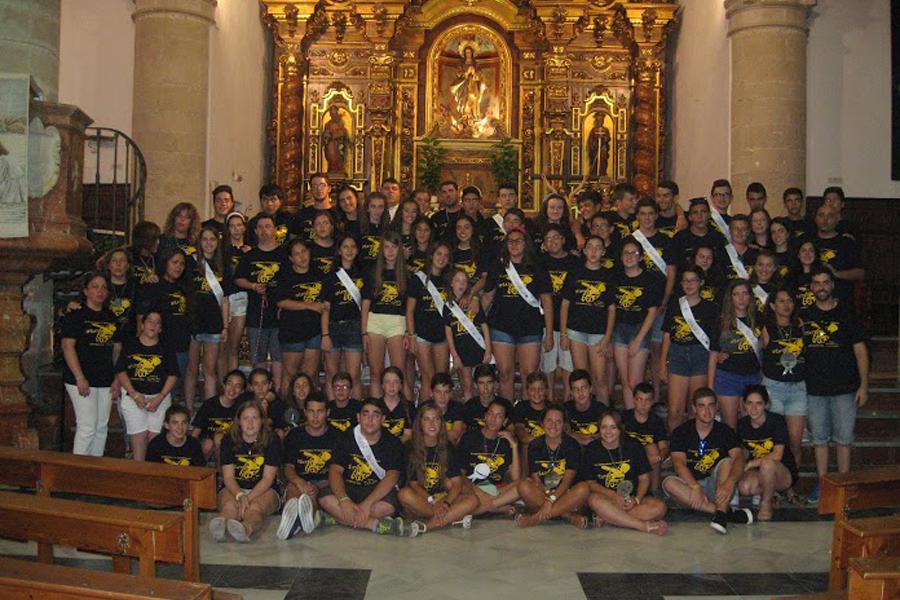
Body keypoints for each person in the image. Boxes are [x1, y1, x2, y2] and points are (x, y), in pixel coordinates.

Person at [803, 267, 869, 504]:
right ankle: (823, 486)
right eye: (817, 283)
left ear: (832, 285)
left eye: (825, 282)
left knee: (843, 440)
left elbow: (860, 351)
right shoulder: (804, 315)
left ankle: (844, 486)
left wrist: (864, 385)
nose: (821, 287)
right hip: (814, 388)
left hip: (845, 388)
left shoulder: (847, 313)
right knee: (819, 440)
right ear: (812, 288)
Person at [663, 388, 754, 534]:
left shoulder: (725, 431)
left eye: (711, 405)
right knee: (669, 483)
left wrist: (730, 483)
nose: (707, 411)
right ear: (694, 408)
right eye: (701, 406)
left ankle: (720, 511)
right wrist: (695, 487)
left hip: (717, 485)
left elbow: (739, 458)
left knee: (727, 462)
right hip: (690, 485)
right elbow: (679, 464)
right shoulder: (681, 432)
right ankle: (724, 513)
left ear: (717, 406)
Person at [318, 398, 412, 536]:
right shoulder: (345, 438)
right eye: (365, 414)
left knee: (387, 508)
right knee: (325, 499)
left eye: (375, 415)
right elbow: (335, 471)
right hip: (349, 488)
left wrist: (367, 504)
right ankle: (373, 524)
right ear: (358, 417)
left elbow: (392, 477)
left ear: (383, 419)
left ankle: (336, 518)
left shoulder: (393, 443)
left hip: (375, 492)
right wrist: (344, 500)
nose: (370, 419)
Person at [481, 226, 553, 401]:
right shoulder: (498, 267)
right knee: (505, 374)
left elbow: (547, 302)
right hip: (501, 327)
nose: (514, 244)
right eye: (510, 241)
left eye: (518, 241)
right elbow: (487, 297)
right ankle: (507, 415)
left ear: (525, 244)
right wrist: (477, 324)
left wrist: (549, 333)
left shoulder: (537, 268)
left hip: (530, 328)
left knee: (529, 376)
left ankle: (525, 416)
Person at [60, 272, 123, 456]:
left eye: (103, 287)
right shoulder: (76, 315)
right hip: (80, 376)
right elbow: (67, 346)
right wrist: (80, 377)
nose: (100, 291)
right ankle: (78, 472)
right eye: (95, 287)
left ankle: (95, 469)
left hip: (105, 378)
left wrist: (116, 378)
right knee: (87, 426)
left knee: (101, 427)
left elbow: (117, 349)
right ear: (86, 291)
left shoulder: (111, 316)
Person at [398, 402, 480, 535]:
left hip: (442, 498)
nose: (432, 424)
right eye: (427, 419)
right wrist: (433, 502)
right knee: (404, 495)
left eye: (436, 419)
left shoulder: (448, 447)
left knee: (473, 500)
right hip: (423, 499)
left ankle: (429, 525)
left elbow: (457, 483)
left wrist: (446, 504)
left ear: (441, 423)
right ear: (420, 423)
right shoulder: (410, 447)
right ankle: (451, 517)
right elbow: (413, 484)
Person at [582, 410, 668, 534]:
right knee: (593, 500)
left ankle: (610, 518)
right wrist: (613, 496)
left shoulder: (633, 445)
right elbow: (591, 483)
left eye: (613, 427)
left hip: (631, 498)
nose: (608, 432)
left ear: (620, 429)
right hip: (606, 498)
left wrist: (637, 500)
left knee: (660, 507)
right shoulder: (592, 449)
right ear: (599, 429)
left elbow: (644, 478)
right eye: (604, 427)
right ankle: (643, 526)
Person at [209, 399, 282, 542]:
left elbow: (268, 479)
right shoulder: (228, 440)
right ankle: (221, 525)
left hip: (264, 489)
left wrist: (247, 498)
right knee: (230, 506)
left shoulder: (273, 440)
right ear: (239, 422)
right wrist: (239, 495)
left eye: (254, 418)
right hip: (234, 487)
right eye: (246, 418)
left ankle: (246, 529)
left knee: (254, 508)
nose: (250, 423)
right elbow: (228, 477)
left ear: (261, 421)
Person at [760, 287, 807, 499]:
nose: (786, 305)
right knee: (776, 441)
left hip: (797, 387)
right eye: (780, 301)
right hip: (773, 387)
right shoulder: (766, 329)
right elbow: (757, 357)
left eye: (789, 300)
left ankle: (790, 486)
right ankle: (774, 488)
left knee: (795, 442)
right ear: (772, 305)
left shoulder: (801, 327)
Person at [660, 266, 719, 433]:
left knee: (696, 409)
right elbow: (667, 335)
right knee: (674, 411)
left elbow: (713, 343)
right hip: (677, 355)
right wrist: (662, 364)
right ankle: (675, 446)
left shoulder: (710, 308)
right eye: (685, 280)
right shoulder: (675, 304)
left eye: (693, 280)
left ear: (701, 282)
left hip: (700, 356)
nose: (689, 284)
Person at [115, 310, 179, 461]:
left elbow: (173, 374)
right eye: (150, 321)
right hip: (134, 397)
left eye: (157, 323)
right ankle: (139, 478)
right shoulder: (130, 345)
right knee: (139, 441)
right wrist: (134, 394)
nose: (153, 325)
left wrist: (160, 397)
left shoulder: (166, 347)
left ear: (161, 328)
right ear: (142, 325)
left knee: (155, 442)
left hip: (159, 398)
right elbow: (121, 371)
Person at [560, 236, 616, 404]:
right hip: (576, 331)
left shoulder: (608, 276)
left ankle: (604, 418)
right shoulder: (575, 272)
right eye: (590, 247)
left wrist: (607, 337)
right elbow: (564, 305)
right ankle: (584, 417)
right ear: (584, 250)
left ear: (603, 251)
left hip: (598, 333)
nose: (593, 251)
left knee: (600, 379)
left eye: (598, 248)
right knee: (581, 379)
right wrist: (563, 334)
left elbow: (612, 309)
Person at [632, 198, 678, 405]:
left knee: (657, 351)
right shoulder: (631, 241)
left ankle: (657, 397)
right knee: (639, 352)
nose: (647, 218)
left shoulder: (667, 241)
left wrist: (666, 299)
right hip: (636, 306)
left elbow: (671, 273)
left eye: (651, 214)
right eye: (643, 214)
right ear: (637, 216)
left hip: (660, 304)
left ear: (656, 216)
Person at [515, 405, 590, 528]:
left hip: (567, 493)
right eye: (549, 420)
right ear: (542, 423)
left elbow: (566, 482)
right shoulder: (534, 445)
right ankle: (567, 515)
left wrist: (551, 500)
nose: (553, 425)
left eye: (558, 421)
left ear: (564, 425)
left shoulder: (572, 445)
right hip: (544, 492)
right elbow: (536, 481)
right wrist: (548, 496)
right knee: (523, 486)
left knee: (584, 488)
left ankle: (534, 518)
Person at [278, 391, 341, 539]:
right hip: (300, 480)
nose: (315, 416)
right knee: (295, 491)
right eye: (311, 411)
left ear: (327, 412)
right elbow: (288, 467)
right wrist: (300, 482)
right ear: (305, 412)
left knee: (312, 496)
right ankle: (296, 518)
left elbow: (338, 470)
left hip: (327, 483)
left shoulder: (337, 436)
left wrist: (318, 487)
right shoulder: (294, 435)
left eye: (320, 412)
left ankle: (296, 523)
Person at [234, 214, 284, 392]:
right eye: (260, 227)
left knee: (279, 358)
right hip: (257, 314)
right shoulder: (250, 256)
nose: (264, 230)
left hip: (280, 315)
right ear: (255, 231)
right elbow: (238, 279)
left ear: (275, 229)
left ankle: (277, 394)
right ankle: (259, 394)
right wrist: (253, 286)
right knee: (258, 358)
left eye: (268, 226)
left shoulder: (284, 254)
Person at [136, 247, 192, 403]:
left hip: (181, 346)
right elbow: (142, 316)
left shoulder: (185, 288)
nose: (178, 267)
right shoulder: (153, 285)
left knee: (172, 390)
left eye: (182, 263)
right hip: (159, 347)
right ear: (165, 263)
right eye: (174, 262)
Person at [613, 239, 663, 408]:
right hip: (619, 329)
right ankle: (629, 417)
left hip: (640, 329)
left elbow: (652, 312)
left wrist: (638, 339)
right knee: (625, 380)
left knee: (635, 381)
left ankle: (640, 416)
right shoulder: (616, 277)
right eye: (626, 253)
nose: (629, 256)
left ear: (641, 257)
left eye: (634, 253)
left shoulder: (649, 279)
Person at [184, 225, 231, 409]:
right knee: (191, 369)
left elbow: (225, 299)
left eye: (212, 239)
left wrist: (225, 327)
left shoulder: (223, 266)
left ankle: (208, 410)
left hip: (214, 324)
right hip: (194, 323)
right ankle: (189, 409)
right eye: (205, 239)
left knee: (210, 370)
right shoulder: (191, 263)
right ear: (199, 242)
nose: (209, 243)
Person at [736, 386, 798, 521]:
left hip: (782, 471)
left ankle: (766, 503)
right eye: (749, 403)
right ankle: (769, 492)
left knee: (767, 464)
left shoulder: (777, 421)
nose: (753, 408)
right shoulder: (742, 424)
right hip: (759, 471)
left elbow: (778, 455)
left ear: (766, 404)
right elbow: (744, 451)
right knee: (744, 487)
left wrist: (751, 463)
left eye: (759, 404)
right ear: (744, 404)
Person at [274, 238, 325, 399]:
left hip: (314, 331)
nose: (302, 257)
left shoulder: (319, 273)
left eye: (304, 251)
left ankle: (307, 412)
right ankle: (286, 410)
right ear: (291, 258)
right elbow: (282, 301)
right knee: (290, 375)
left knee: (309, 375)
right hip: (292, 331)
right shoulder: (284, 275)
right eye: (296, 254)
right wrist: (309, 305)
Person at [708, 279, 762, 429]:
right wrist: (710, 386)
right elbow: (713, 354)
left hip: (753, 376)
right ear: (730, 298)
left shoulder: (759, 319)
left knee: (751, 426)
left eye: (745, 294)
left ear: (750, 296)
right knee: (730, 426)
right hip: (727, 377)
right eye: (736, 294)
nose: (741, 298)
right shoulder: (721, 321)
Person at [362, 230, 410, 398]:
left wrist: (408, 332)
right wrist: (363, 332)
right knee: (376, 373)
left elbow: (409, 308)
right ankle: (375, 411)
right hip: (375, 321)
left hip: (398, 322)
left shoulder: (407, 274)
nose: (390, 251)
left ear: (400, 249)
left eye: (394, 247)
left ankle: (401, 413)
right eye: (386, 247)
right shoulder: (373, 272)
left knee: (399, 374)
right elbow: (366, 303)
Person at [458, 398, 522, 516]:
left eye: (499, 416)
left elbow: (516, 478)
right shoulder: (469, 437)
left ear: (504, 421)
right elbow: (460, 473)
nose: (493, 419)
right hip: (471, 486)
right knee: (460, 487)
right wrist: (477, 490)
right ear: (485, 416)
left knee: (524, 484)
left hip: (495, 489)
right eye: (490, 414)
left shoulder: (505, 442)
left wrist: (514, 445)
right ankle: (497, 508)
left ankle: (477, 509)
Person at [538, 224, 579, 401]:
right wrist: (548, 333)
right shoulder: (540, 262)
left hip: (570, 322)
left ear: (563, 240)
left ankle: (567, 402)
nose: (552, 241)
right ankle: (550, 400)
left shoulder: (575, 262)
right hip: (546, 321)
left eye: (556, 237)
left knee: (568, 364)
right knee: (548, 365)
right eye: (548, 239)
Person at [407, 241, 451, 402]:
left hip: (442, 335)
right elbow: (410, 310)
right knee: (428, 378)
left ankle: (439, 417)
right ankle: (424, 415)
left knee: (441, 380)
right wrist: (411, 335)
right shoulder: (418, 279)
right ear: (431, 255)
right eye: (439, 253)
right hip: (422, 334)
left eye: (446, 255)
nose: (442, 258)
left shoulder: (449, 280)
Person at [321, 235, 365, 400]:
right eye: (345, 247)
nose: (349, 250)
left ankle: (354, 412)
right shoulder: (331, 276)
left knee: (353, 376)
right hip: (333, 327)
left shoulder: (362, 274)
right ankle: (333, 411)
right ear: (339, 250)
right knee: (332, 375)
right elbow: (325, 308)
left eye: (352, 246)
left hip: (354, 327)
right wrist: (325, 335)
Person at [444, 268, 493, 400]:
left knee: (483, 385)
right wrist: (454, 355)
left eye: (464, 281)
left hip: (478, 349)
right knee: (467, 386)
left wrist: (488, 350)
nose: (461, 284)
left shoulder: (473, 303)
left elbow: (484, 326)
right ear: (451, 284)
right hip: (462, 351)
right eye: (457, 281)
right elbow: (448, 333)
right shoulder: (447, 306)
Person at [812, 203, 865, 304]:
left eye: (830, 215)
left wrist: (837, 274)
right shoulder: (807, 242)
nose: (825, 219)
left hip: (840, 299)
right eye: (821, 215)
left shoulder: (846, 242)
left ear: (837, 219)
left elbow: (860, 273)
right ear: (815, 218)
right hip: (811, 300)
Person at [191, 369, 246, 464]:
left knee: (220, 439)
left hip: (229, 443)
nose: (232, 389)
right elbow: (196, 431)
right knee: (211, 442)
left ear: (242, 391)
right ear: (224, 385)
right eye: (229, 384)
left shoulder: (241, 407)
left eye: (238, 386)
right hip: (208, 442)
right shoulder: (210, 404)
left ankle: (222, 474)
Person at [623, 383, 669, 493]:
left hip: (648, 460)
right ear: (633, 400)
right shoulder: (625, 417)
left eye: (647, 400)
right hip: (628, 457)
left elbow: (664, 447)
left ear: (652, 402)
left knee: (653, 448)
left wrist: (660, 457)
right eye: (639, 399)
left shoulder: (656, 422)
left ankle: (654, 491)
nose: (643, 404)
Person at [221, 212, 251, 376]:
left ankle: (233, 382)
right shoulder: (222, 251)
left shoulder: (250, 251)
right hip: (224, 298)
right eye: (232, 226)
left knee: (234, 346)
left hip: (241, 299)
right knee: (222, 347)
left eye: (239, 225)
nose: (236, 229)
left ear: (244, 227)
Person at [672, 198, 727, 270]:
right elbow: (674, 267)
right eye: (695, 212)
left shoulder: (718, 238)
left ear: (709, 215)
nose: (699, 216)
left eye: (703, 212)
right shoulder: (680, 239)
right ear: (690, 217)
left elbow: (722, 265)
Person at [565, 370, 604, 446]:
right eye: (576, 389)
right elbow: (563, 433)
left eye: (584, 388)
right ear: (571, 393)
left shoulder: (601, 409)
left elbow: (606, 434)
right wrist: (589, 439)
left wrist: (575, 436)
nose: (580, 392)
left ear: (591, 389)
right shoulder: (565, 410)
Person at [512, 372, 548, 454]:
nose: (537, 393)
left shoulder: (551, 408)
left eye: (541, 389)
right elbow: (520, 432)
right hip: (529, 449)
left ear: (546, 390)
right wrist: (538, 442)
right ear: (527, 390)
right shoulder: (521, 407)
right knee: (526, 445)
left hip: (549, 450)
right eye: (533, 389)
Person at [293, 173, 335, 242]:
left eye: (322, 185)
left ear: (329, 188)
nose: (318, 189)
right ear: (311, 189)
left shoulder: (337, 214)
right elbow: (294, 239)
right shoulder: (302, 214)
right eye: (315, 186)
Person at [462, 364, 504, 430]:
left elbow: (511, 431)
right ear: (475, 385)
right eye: (481, 383)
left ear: (495, 384)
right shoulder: (469, 406)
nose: (485, 387)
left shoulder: (504, 405)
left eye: (489, 382)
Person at [379, 367, 415, 443]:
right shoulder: (376, 406)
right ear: (382, 385)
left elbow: (408, 435)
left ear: (401, 385)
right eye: (387, 382)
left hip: (401, 448)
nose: (391, 386)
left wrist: (394, 446)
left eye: (395, 382)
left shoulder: (409, 407)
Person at [430, 373, 466, 445]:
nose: (442, 397)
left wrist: (432, 436)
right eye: (438, 392)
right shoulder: (425, 408)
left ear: (451, 394)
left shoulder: (457, 407)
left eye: (446, 392)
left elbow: (456, 434)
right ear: (431, 393)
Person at [724, 215, 758, 281]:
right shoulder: (721, 253)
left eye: (743, 229)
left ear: (748, 232)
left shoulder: (757, 255)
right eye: (736, 228)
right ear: (730, 231)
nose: (739, 232)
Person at [308, 210, 337, 275]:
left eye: (325, 223)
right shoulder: (307, 249)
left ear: (332, 226)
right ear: (313, 227)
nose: (322, 227)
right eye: (318, 224)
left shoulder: (340, 246)